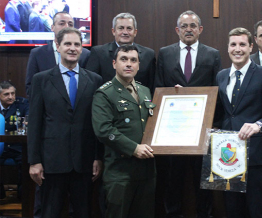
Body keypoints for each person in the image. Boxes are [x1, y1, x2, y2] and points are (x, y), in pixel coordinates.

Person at [27, 27, 103, 218]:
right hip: (52, 162)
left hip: (84, 162)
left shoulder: (94, 80)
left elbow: (97, 123)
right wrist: (34, 161)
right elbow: (35, 123)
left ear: (82, 48)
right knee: (50, 213)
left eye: (77, 44)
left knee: (83, 212)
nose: (72, 48)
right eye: (67, 44)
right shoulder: (41, 80)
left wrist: (97, 157)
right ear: (58, 47)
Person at [154, 10, 221, 218]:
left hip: (203, 132)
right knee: (173, 184)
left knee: (204, 185)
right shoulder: (165, 53)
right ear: (177, 30)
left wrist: (214, 126)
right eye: (184, 26)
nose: (189, 29)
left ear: (200, 29)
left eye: (193, 25)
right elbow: (158, 88)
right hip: (174, 133)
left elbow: (217, 91)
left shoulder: (213, 54)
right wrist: (170, 94)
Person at [215, 27, 262, 218]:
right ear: (228, 48)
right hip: (227, 157)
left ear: (250, 47)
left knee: (257, 210)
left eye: (242, 45)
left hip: (256, 156)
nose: (237, 49)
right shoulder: (221, 76)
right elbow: (221, 113)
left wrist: (258, 125)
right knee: (232, 210)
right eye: (233, 45)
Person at [92, 45, 156, 218]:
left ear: (138, 65)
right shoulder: (104, 94)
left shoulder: (144, 91)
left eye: (133, 60)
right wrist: (134, 148)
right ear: (114, 64)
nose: (129, 64)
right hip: (120, 172)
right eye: (124, 59)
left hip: (146, 171)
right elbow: (104, 130)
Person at [25, 11, 91, 96]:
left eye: (70, 24)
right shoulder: (37, 54)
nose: (66, 27)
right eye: (62, 23)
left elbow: (89, 86)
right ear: (52, 27)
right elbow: (31, 87)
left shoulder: (85, 54)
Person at [86, 12, 156, 90]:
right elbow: (90, 85)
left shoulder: (148, 55)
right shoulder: (98, 53)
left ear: (135, 32)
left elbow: (152, 87)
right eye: (121, 28)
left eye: (129, 28)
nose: (125, 32)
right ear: (113, 31)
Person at [0, 81, 29, 199]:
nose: (11, 97)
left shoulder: (22, 104)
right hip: (1, 146)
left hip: (17, 146)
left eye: (13, 93)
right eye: (6, 94)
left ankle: (24, 197)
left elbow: (28, 117)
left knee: (27, 164)